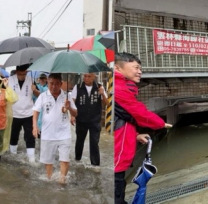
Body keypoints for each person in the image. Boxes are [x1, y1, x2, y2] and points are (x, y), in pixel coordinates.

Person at [114, 53, 171, 204]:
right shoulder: (119, 88)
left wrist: (135, 135)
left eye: (140, 68)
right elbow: (139, 113)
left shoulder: (121, 87)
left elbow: (121, 119)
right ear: (117, 68)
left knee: (119, 187)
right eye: (136, 68)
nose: (140, 72)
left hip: (121, 148)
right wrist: (161, 123)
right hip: (116, 154)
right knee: (116, 190)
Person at [33, 74, 78, 183]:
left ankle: (62, 180)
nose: (54, 86)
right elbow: (36, 111)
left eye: (56, 83)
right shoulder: (43, 96)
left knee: (65, 159)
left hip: (64, 133)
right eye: (51, 83)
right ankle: (49, 177)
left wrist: (69, 107)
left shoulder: (67, 96)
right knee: (48, 161)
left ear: (61, 84)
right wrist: (35, 126)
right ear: (48, 83)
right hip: (48, 133)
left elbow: (75, 113)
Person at [71, 72, 108, 166]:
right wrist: (72, 115)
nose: (86, 78)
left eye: (89, 76)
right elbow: (73, 101)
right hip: (81, 119)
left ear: (94, 77)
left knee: (94, 142)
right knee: (79, 140)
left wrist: (102, 94)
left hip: (95, 120)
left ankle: (95, 164)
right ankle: (77, 159)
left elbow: (106, 103)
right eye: (85, 76)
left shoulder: (99, 87)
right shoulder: (78, 87)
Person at [6, 64, 38, 163]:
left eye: (24, 74)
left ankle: (31, 159)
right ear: (16, 72)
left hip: (28, 113)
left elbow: (39, 95)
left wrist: (35, 90)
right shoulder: (9, 80)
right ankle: (13, 155)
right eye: (20, 74)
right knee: (13, 135)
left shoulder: (31, 80)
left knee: (30, 136)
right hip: (14, 113)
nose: (22, 76)